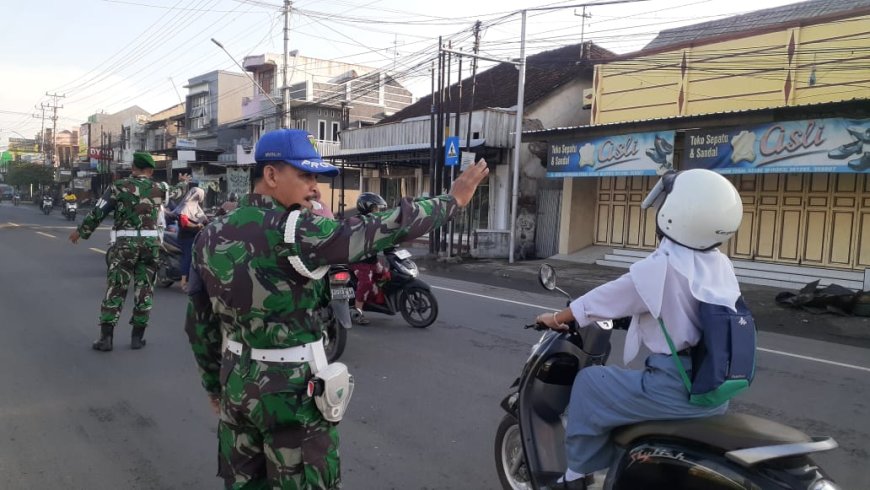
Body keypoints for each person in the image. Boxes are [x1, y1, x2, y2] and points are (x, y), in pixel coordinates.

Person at [184, 128, 488, 489]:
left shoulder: (210, 233)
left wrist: (214, 386)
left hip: (236, 386)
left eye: (316, 177)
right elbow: (381, 228)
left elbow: (199, 323)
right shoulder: (297, 229)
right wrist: (452, 201)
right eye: (305, 175)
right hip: (293, 392)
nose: (315, 187)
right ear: (270, 175)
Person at [533, 169, 744, 489]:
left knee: (591, 382)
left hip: (674, 387)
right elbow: (685, 312)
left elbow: (599, 301)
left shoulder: (659, 268)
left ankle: (576, 476)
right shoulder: (720, 264)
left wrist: (556, 318)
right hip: (713, 388)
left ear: (675, 214)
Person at [69, 152, 190, 351]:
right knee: (145, 290)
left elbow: (99, 211)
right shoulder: (159, 188)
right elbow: (177, 191)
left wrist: (81, 232)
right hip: (150, 247)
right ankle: (137, 338)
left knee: (116, 289)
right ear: (150, 171)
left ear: (133, 167)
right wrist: (184, 183)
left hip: (124, 247)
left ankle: (106, 339)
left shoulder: (118, 187)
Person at [348, 192, 389, 325]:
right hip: (360, 262)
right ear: (367, 207)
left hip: (372, 260)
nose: (378, 211)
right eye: (375, 208)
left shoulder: (375, 221)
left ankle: (374, 297)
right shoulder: (358, 221)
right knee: (365, 283)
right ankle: (357, 312)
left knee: (386, 274)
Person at [174, 186, 209, 291]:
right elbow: (184, 222)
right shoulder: (186, 206)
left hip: (196, 236)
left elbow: (204, 219)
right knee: (188, 257)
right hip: (186, 238)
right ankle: (183, 281)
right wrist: (196, 226)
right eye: (199, 195)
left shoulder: (196, 206)